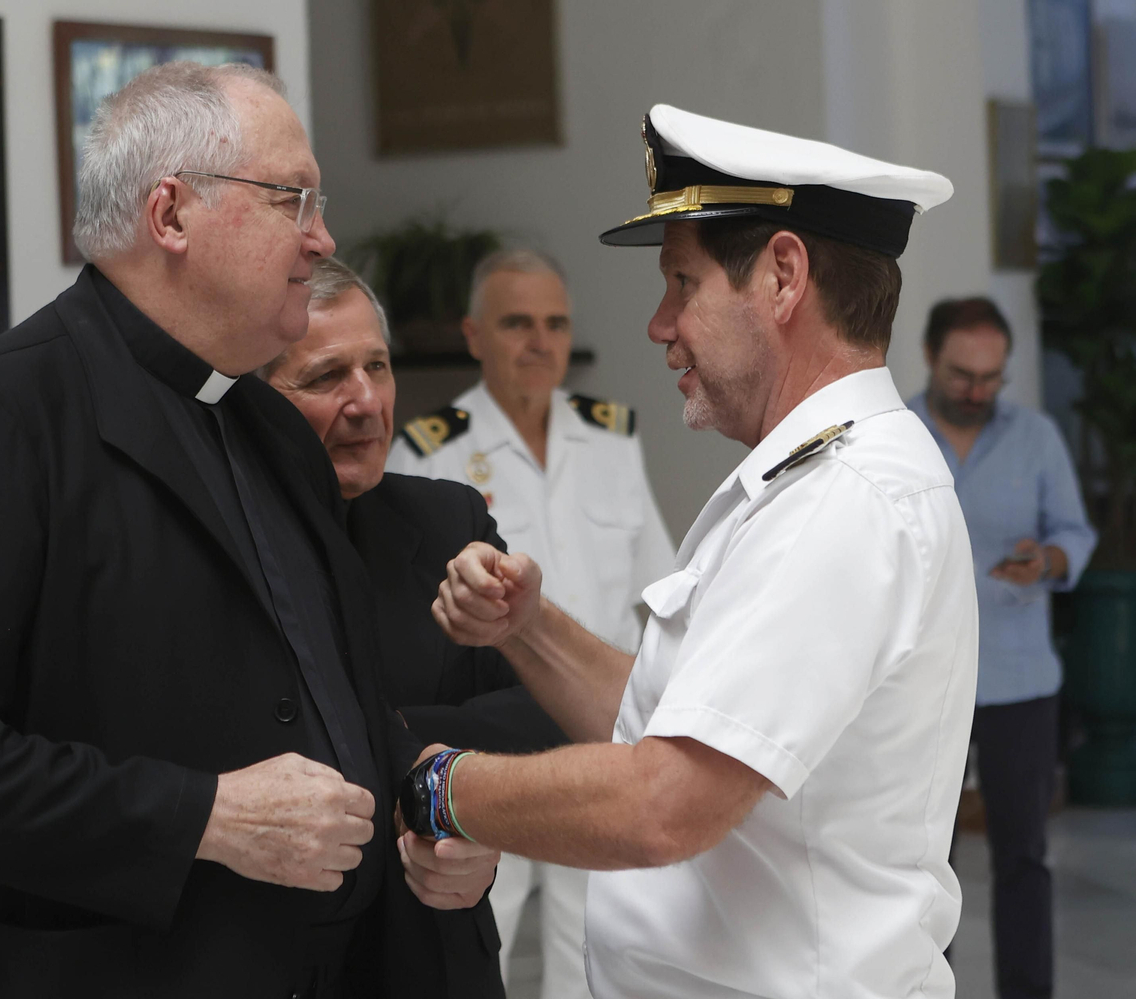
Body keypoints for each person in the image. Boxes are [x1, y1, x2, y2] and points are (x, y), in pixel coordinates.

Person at [0, 62, 494, 999]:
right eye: (293, 200)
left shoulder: (266, 424)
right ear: (172, 214)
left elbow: (333, 691)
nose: (323, 238)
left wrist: (430, 806)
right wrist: (205, 815)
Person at [415, 104, 980, 999]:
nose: (658, 324)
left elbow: (665, 801)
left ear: (784, 276)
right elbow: (672, 721)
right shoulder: (804, 480)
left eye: (683, 284)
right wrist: (531, 629)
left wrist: (446, 785)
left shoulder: (843, 500)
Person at [260, 255, 570, 998]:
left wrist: (372, 737)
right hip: (277, 954)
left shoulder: (445, 521)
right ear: (253, 399)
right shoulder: (224, 539)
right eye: (327, 376)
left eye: (378, 366)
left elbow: (542, 710)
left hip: (435, 950)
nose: (366, 401)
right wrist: (443, 745)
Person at [387, 248, 675, 999]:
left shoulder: (611, 439)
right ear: (474, 334)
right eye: (517, 322)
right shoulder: (428, 451)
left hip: (594, 737)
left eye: (555, 323)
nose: (540, 341)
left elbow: (658, 591)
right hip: (488, 739)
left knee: (594, 944)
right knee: (481, 930)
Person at [910, 297, 1096, 999]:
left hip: (1020, 682)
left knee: (1024, 856)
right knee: (923, 864)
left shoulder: (1037, 436)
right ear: (931, 357)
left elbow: (1075, 532)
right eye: (962, 374)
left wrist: (1046, 561)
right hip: (922, 686)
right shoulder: (891, 433)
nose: (977, 390)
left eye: (992, 377)